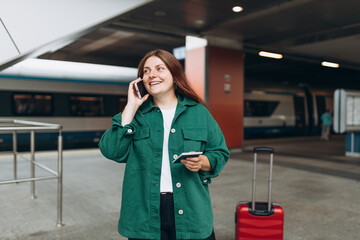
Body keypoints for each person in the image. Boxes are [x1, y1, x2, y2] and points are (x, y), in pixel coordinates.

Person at [99, 49, 230, 240]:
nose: (152, 74)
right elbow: (111, 150)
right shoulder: (135, 115)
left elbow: (219, 153)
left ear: (175, 75)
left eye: (160, 68)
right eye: (146, 71)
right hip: (145, 214)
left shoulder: (199, 113)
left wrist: (202, 162)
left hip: (191, 211)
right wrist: (131, 106)